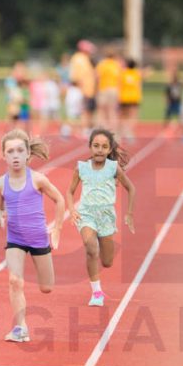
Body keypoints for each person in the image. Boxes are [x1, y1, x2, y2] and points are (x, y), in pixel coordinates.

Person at [0, 130, 65, 342]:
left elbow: (59, 200)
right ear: (3, 156)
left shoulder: (38, 180)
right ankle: (21, 327)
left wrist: (57, 228)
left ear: (27, 154)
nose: (15, 155)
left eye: (20, 151)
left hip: (39, 239)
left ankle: (41, 279)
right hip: (15, 239)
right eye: (10, 151)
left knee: (47, 288)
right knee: (15, 281)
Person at [65, 128, 136, 307]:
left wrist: (129, 213)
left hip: (106, 216)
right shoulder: (81, 167)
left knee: (107, 261)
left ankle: (99, 280)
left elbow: (131, 188)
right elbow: (70, 191)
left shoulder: (113, 168)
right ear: (90, 147)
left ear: (109, 149)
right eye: (96, 146)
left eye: (104, 147)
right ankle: (96, 292)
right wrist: (72, 209)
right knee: (90, 248)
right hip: (86, 213)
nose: (99, 150)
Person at [69, 40, 97, 133]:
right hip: (83, 90)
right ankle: (82, 130)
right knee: (82, 111)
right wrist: (82, 90)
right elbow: (78, 76)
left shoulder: (84, 58)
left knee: (88, 111)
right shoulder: (79, 59)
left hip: (88, 90)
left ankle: (86, 129)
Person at [117, 58, 144, 141]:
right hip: (134, 98)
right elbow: (138, 86)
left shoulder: (122, 74)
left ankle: (120, 133)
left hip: (124, 97)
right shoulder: (137, 74)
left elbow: (119, 86)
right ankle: (129, 133)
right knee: (132, 117)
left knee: (122, 116)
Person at [95, 48, 121, 131]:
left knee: (101, 110)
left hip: (103, 88)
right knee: (112, 111)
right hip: (113, 89)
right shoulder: (116, 64)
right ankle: (113, 130)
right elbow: (119, 79)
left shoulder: (102, 64)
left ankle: (102, 128)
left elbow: (97, 77)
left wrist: (96, 89)